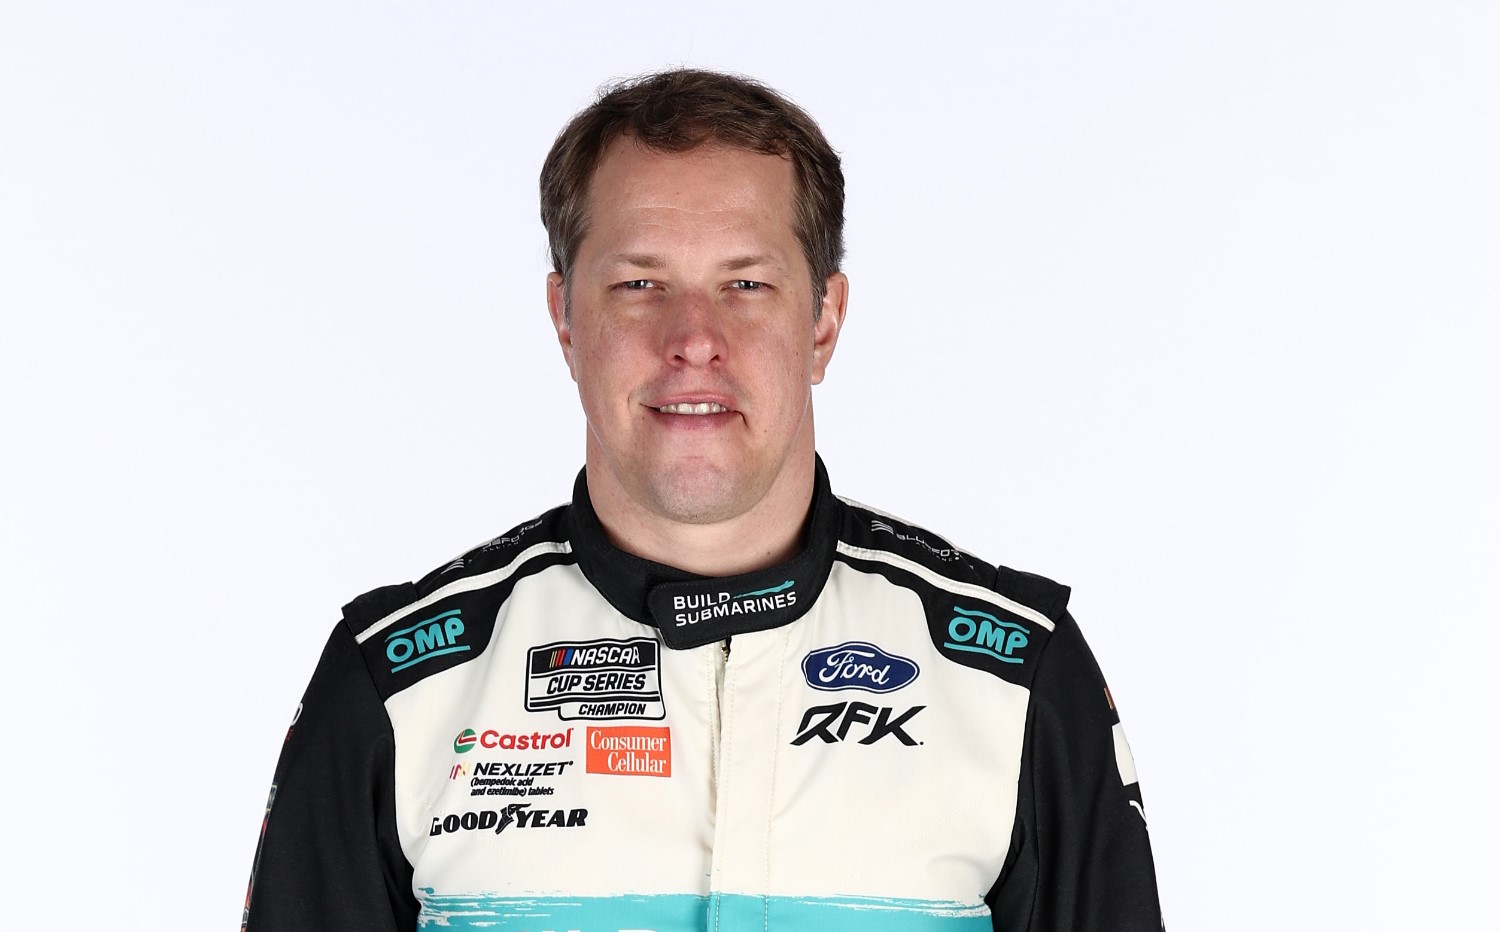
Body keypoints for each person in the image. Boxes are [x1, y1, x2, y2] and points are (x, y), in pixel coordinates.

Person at [242, 68, 1164, 932]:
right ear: (566, 319)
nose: (694, 339)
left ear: (823, 323)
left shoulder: (1011, 681)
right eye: (640, 283)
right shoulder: (401, 689)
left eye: (746, 285)